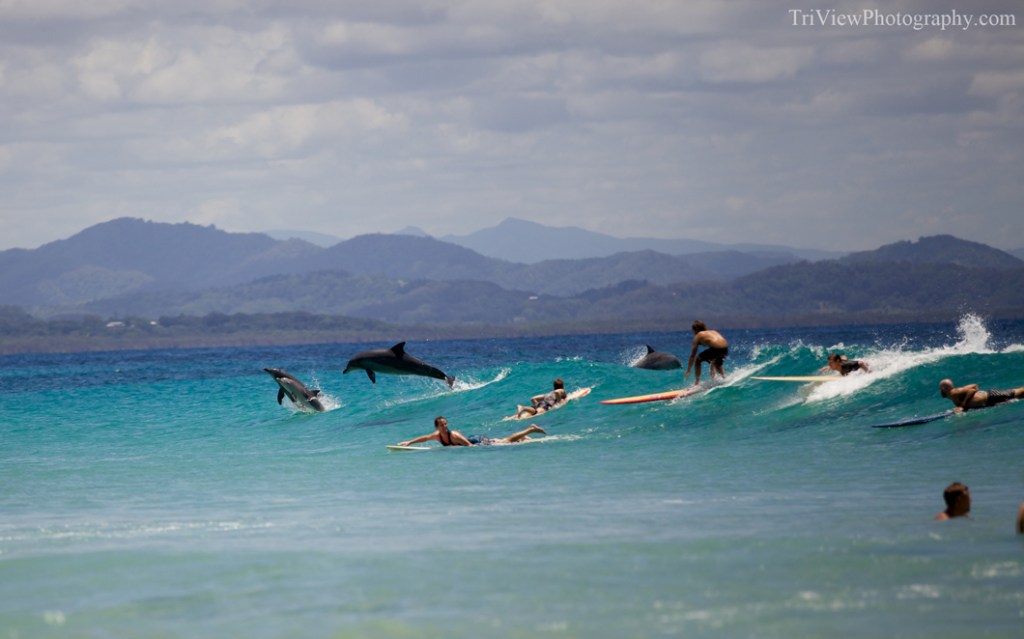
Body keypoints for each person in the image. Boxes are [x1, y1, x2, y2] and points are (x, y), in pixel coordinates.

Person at [397, 416, 546, 447]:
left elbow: (469, 446)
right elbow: (424, 438)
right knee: (503, 440)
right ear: (437, 427)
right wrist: (409, 442)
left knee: (506, 441)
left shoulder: (454, 435)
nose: (445, 426)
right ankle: (523, 437)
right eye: (442, 425)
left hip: (476, 441)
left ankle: (530, 429)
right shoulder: (437, 435)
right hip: (471, 439)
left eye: (445, 424)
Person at [684, 320, 728, 386]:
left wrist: (688, 369)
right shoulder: (713, 331)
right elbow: (715, 352)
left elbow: (693, 355)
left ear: (696, 330)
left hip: (716, 349)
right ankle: (725, 378)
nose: (693, 332)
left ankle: (696, 383)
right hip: (725, 348)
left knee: (698, 359)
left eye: (693, 331)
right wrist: (712, 367)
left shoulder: (698, 335)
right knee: (718, 365)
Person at [938, 379, 1024, 412]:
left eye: (940, 388)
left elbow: (973, 388)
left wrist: (964, 404)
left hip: (991, 396)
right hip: (990, 399)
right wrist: (961, 407)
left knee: (1019, 392)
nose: (940, 390)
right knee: (1019, 394)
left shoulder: (954, 392)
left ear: (943, 388)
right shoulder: (953, 395)